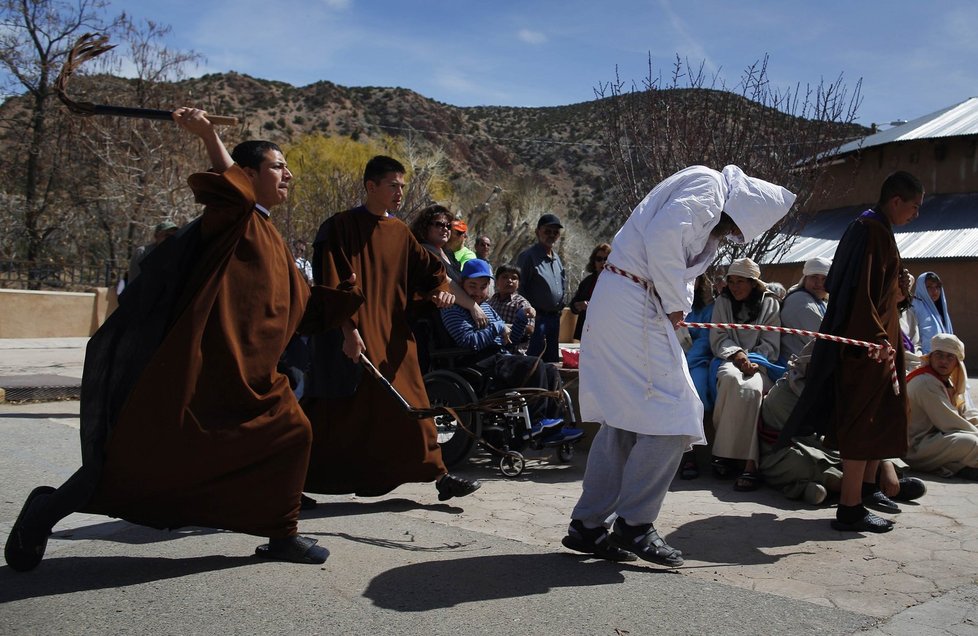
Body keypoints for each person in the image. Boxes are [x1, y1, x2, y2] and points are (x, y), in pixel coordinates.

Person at [5, 108, 328, 572]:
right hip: (202, 373)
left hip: (252, 379)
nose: (288, 174)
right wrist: (209, 135)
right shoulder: (233, 215)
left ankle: (282, 533)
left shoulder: (270, 234)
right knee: (138, 462)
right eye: (278, 166)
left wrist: (347, 299)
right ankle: (44, 511)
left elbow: (299, 305)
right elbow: (228, 183)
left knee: (290, 434)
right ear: (249, 174)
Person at [561, 165, 795, 565]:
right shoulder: (708, 186)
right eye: (738, 228)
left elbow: (674, 258)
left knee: (626, 418)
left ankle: (588, 524)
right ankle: (634, 524)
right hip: (639, 303)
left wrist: (674, 303)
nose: (735, 236)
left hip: (628, 299)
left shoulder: (703, 195)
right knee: (677, 414)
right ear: (739, 209)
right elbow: (663, 240)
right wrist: (674, 306)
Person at [301, 155, 481, 502]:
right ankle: (291, 480)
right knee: (333, 414)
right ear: (371, 186)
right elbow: (331, 283)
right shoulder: (339, 227)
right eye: (392, 185)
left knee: (414, 405)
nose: (400, 192)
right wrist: (349, 331)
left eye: (402, 185)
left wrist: (440, 296)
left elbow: (430, 276)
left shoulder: (399, 232)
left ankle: (440, 475)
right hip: (350, 334)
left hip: (392, 335)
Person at [781, 170, 922, 533]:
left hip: (882, 346)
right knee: (861, 424)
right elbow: (857, 296)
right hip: (867, 350)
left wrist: (901, 291)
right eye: (914, 207)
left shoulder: (880, 231)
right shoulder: (869, 230)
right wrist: (874, 339)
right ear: (896, 201)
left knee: (885, 416)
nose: (916, 215)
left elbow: (880, 291)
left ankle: (870, 488)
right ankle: (850, 508)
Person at [760, 341, 926, 505]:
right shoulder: (784, 396)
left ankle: (868, 484)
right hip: (792, 450)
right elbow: (821, 441)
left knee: (872, 456)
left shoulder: (836, 392)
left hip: (833, 449)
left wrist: (885, 463)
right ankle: (861, 487)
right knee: (801, 465)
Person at [440, 259, 580, 442]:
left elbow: (510, 339)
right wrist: (497, 328)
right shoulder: (453, 309)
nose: (477, 292)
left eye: (483, 287)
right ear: (461, 284)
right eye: (472, 286)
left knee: (550, 369)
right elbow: (468, 341)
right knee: (534, 365)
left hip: (499, 357)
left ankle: (555, 424)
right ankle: (538, 423)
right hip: (476, 362)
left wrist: (521, 319)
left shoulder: (487, 308)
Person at [709, 257, 783, 491]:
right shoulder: (722, 301)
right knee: (730, 379)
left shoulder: (769, 303)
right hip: (728, 356)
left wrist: (753, 360)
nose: (735, 287)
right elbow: (718, 336)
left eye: (741, 281)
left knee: (753, 390)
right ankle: (724, 453)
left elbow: (772, 341)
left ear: (753, 283)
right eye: (731, 281)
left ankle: (749, 465)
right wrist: (738, 356)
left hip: (761, 360)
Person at [905, 334, 978, 480]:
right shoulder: (926, 382)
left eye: (950, 357)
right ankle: (957, 466)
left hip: (937, 439)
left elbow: (964, 413)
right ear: (930, 357)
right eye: (939, 355)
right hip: (918, 448)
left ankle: (957, 466)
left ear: (957, 362)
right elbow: (950, 422)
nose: (943, 361)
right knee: (972, 443)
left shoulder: (946, 380)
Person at [676, 273, 717, 479]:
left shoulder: (708, 310)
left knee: (695, 394)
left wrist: (685, 361)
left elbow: (704, 341)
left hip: (696, 363)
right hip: (667, 362)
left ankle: (689, 455)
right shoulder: (665, 306)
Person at [517, 213, 566, 363]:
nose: (551, 235)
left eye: (555, 232)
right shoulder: (528, 257)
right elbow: (520, 286)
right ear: (537, 232)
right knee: (533, 361)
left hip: (554, 319)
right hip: (537, 319)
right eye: (547, 231)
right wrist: (529, 314)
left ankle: (548, 387)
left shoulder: (556, 258)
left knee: (551, 363)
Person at [779, 256, 831, 362]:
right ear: (805, 278)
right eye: (814, 277)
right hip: (795, 367)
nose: (819, 283)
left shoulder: (819, 300)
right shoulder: (801, 302)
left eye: (824, 279)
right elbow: (823, 343)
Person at [488, 263, 536, 354]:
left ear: (519, 283)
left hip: (514, 352)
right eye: (505, 277)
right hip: (492, 349)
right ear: (497, 281)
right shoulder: (490, 302)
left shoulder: (521, 303)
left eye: (514, 278)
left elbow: (530, 329)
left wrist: (504, 327)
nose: (509, 281)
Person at [569, 243, 610, 341]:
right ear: (594, 261)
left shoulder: (617, 283)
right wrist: (578, 306)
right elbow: (573, 305)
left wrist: (592, 306)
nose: (603, 262)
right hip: (587, 331)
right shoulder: (587, 282)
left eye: (606, 259)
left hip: (607, 332)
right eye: (599, 259)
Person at [913, 272, 954, 354]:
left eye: (937, 287)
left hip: (941, 360)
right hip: (923, 360)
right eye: (929, 287)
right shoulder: (914, 308)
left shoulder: (940, 312)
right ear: (922, 288)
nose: (935, 291)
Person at [126, 219, 178, 284]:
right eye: (166, 235)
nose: (170, 239)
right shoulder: (142, 252)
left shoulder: (176, 255)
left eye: (173, 236)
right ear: (156, 236)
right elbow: (133, 282)